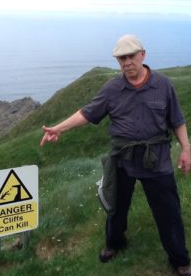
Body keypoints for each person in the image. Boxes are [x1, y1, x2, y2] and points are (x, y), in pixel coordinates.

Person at [40, 34, 191, 276]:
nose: (127, 62)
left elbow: (177, 120)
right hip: (122, 158)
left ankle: (179, 259)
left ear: (143, 54)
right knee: (115, 206)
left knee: (168, 210)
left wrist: (186, 149)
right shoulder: (112, 89)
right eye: (122, 58)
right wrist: (59, 128)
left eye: (131, 56)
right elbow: (87, 113)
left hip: (157, 158)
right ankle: (114, 243)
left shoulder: (164, 85)